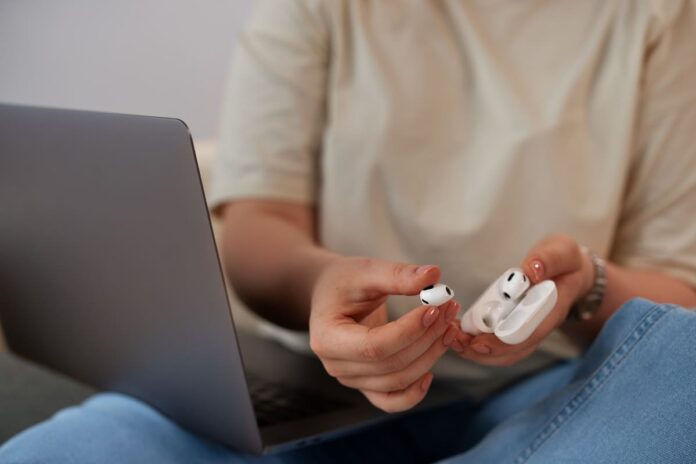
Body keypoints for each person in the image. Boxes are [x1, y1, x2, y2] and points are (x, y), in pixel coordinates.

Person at [2, 0, 696, 462]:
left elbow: (676, 299)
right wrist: (321, 286)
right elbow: (257, 226)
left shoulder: (659, 14)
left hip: (551, 392)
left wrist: (587, 286)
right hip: (319, 382)